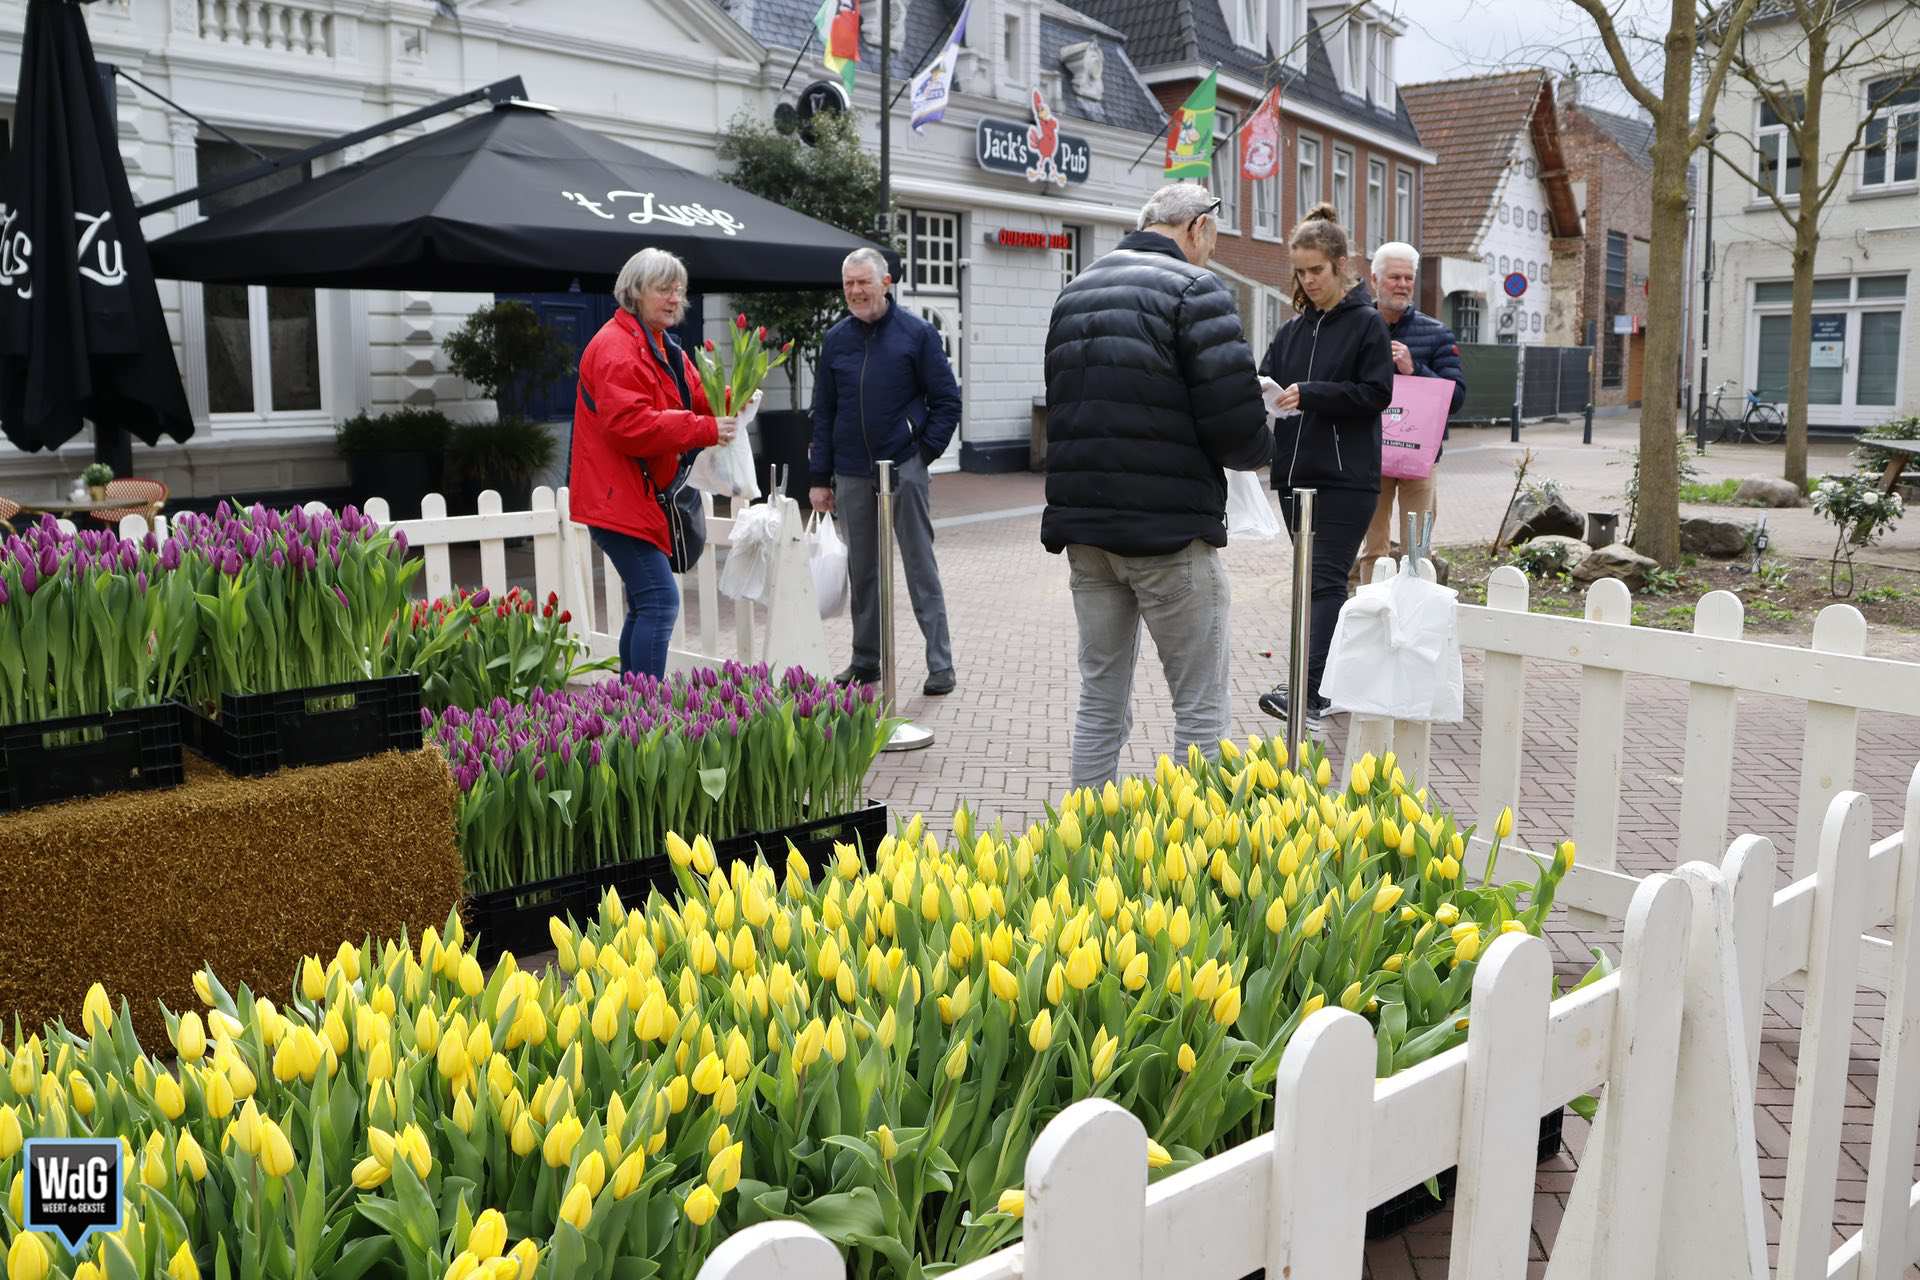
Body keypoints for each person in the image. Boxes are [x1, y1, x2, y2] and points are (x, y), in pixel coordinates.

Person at [1042, 182, 1273, 789]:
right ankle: (1198, 846)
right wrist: (1265, 442)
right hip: (1169, 531)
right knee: (1199, 710)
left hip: (1086, 533)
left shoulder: (1074, 291)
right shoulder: (1196, 289)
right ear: (1198, 226)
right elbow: (1236, 431)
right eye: (1213, 238)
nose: (1211, 251)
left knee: (1100, 700)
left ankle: (1084, 833)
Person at [569, 247, 737, 678]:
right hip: (618, 497)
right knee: (660, 601)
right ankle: (644, 707)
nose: (675, 298)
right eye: (664, 289)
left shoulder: (661, 344)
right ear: (635, 292)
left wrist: (736, 397)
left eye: (679, 289)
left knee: (646, 603)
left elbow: (697, 395)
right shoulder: (615, 347)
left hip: (634, 494)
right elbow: (629, 426)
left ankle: (632, 703)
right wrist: (704, 428)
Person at [1258, 204, 1395, 730]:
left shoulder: (1366, 324)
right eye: (1300, 272)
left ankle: (1311, 691)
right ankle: (1316, 684)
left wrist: (1313, 394)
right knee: (1308, 583)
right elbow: (1268, 378)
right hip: (1293, 476)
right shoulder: (1293, 330)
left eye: (1316, 270)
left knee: (1324, 580)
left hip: (1345, 479)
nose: (1308, 281)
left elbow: (1376, 393)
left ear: (1340, 264)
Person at [809, 247, 962, 695]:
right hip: (852, 472)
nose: (856, 291)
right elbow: (824, 411)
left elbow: (947, 401)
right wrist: (819, 478)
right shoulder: (836, 339)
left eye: (864, 282)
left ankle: (940, 664)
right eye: (849, 284)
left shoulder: (917, 334)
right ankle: (865, 660)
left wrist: (922, 454)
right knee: (863, 570)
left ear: (886, 283)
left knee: (919, 565)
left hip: (902, 466)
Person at [1357, 241, 1467, 583]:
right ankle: (1371, 607)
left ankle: (1413, 610)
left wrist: (1414, 369)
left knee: (1417, 550)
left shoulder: (1437, 333)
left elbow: (1456, 397)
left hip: (1419, 459)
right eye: (1394, 277)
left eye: (1408, 278)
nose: (1403, 285)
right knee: (1373, 550)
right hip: (1370, 453)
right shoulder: (1356, 328)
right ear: (1375, 280)